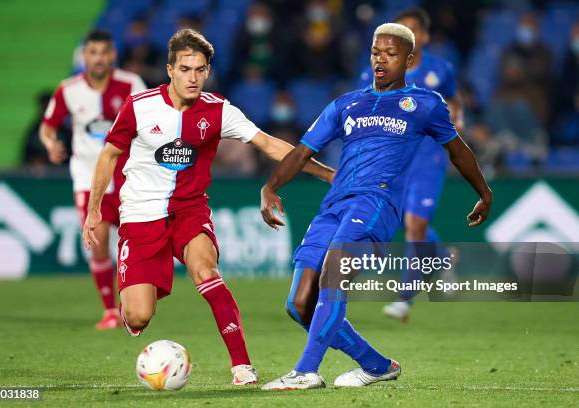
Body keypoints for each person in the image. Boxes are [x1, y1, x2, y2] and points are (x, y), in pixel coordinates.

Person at [81, 29, 334, 386]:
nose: (193, 77)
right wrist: (94, 210)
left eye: (200, 69)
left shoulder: (218, 111)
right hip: (140, 215)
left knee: (205, 270)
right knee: (138, 317)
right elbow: (109, 155)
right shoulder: (139, 106)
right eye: (185, 69)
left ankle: (242, 366)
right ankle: (131, 306)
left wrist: (326, 174)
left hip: (189, 210)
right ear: (170, 69)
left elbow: (268, 144)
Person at [260, 23, 492, 389]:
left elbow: (458, 151)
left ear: (409, 59)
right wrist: (271, 185)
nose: (381, 59)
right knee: (299, 303)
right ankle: (376, 364)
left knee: (334, 275)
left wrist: (484, 191)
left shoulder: (424, 104)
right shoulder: (346, 103)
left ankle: (305, 371)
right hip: (334, 204)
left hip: (376, 204)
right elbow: (303, 151)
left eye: (391, 53)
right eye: (375, 52)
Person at [357, 8, 464, 321]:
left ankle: (405, 299)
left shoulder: (440, 69)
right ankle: (442, 260)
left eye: (412, 31)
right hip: (391, 160)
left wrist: (455, 119)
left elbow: (454, 99)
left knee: (415, 225)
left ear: (425, 37)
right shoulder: (375, 72)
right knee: (408, 223)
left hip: (428, 156)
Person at [40, 29, 146, 330]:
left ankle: (132, 306)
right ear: (84, 56)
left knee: (134, 244)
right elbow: (48, 127)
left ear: (112, 55)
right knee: (97, 243)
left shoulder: (131, 84)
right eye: (93, 52)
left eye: (104, 52)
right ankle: (110, 310)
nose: (98, 58)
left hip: (128, 176)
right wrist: (50, 144)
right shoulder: (68, 89)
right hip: (87, 178)